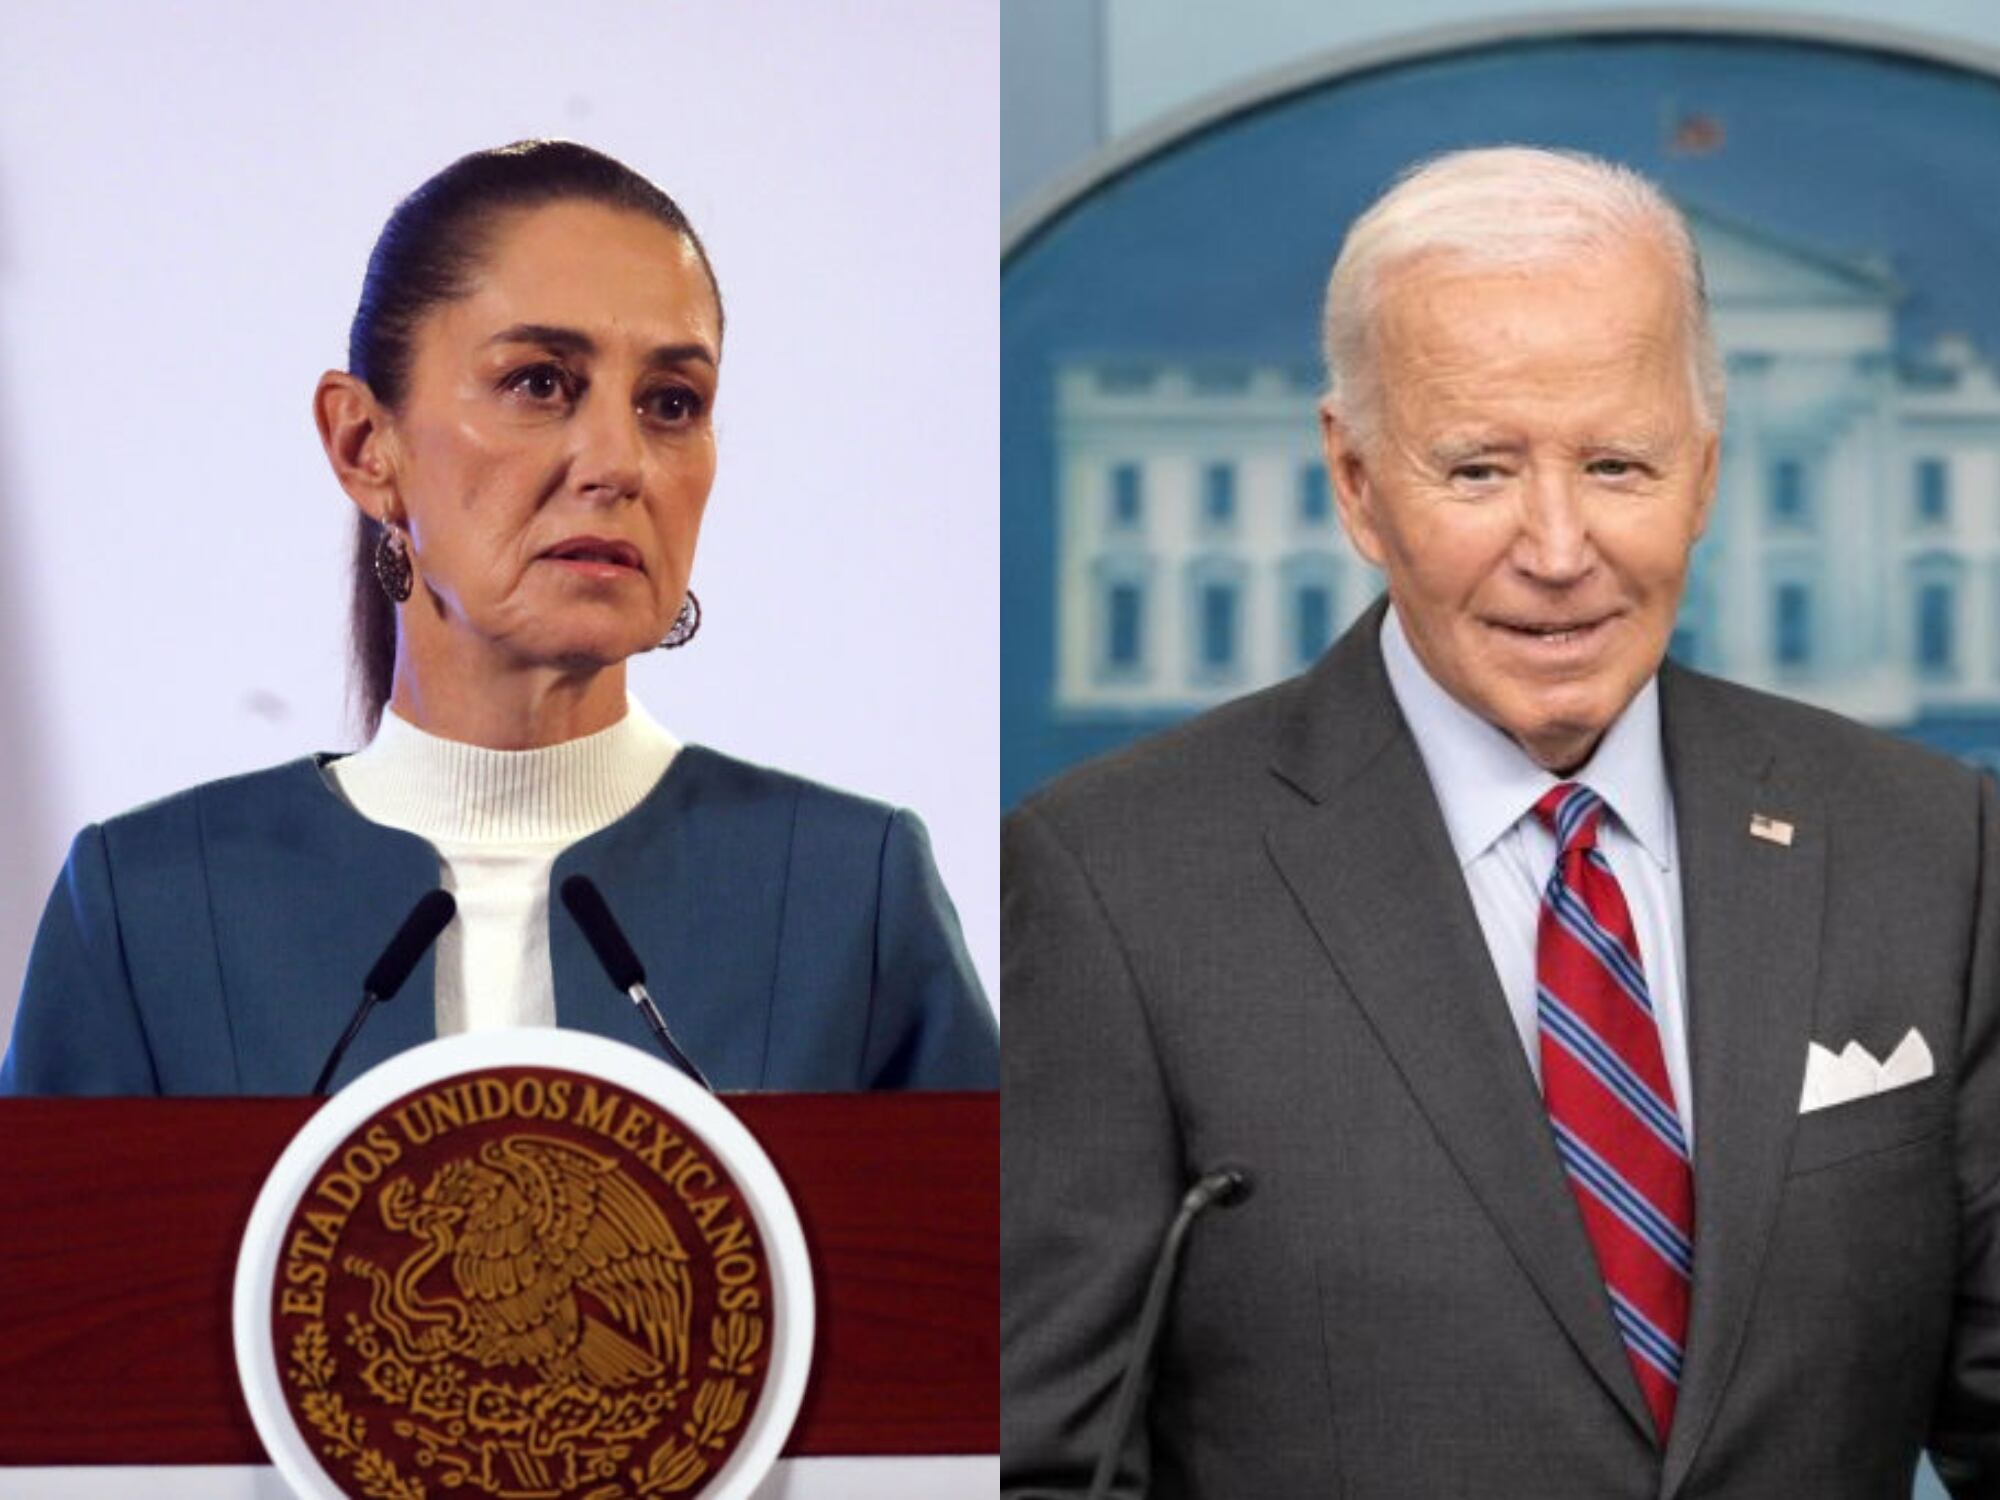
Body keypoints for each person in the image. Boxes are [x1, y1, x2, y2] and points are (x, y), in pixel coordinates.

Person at [1002, 147, 2000, 1497]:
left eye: (1618, 464)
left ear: (1704, 473)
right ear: (1355, 482)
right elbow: (1056, 1464)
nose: (1557, 547)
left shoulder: (1932, 849)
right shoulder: (1116, 883)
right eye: (1478, 470)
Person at [2, 140, 996, 1097]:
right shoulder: (151, 911)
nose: (618, 462)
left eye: (670, 402)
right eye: (538, 383)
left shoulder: (846, 895)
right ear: (362, 444)